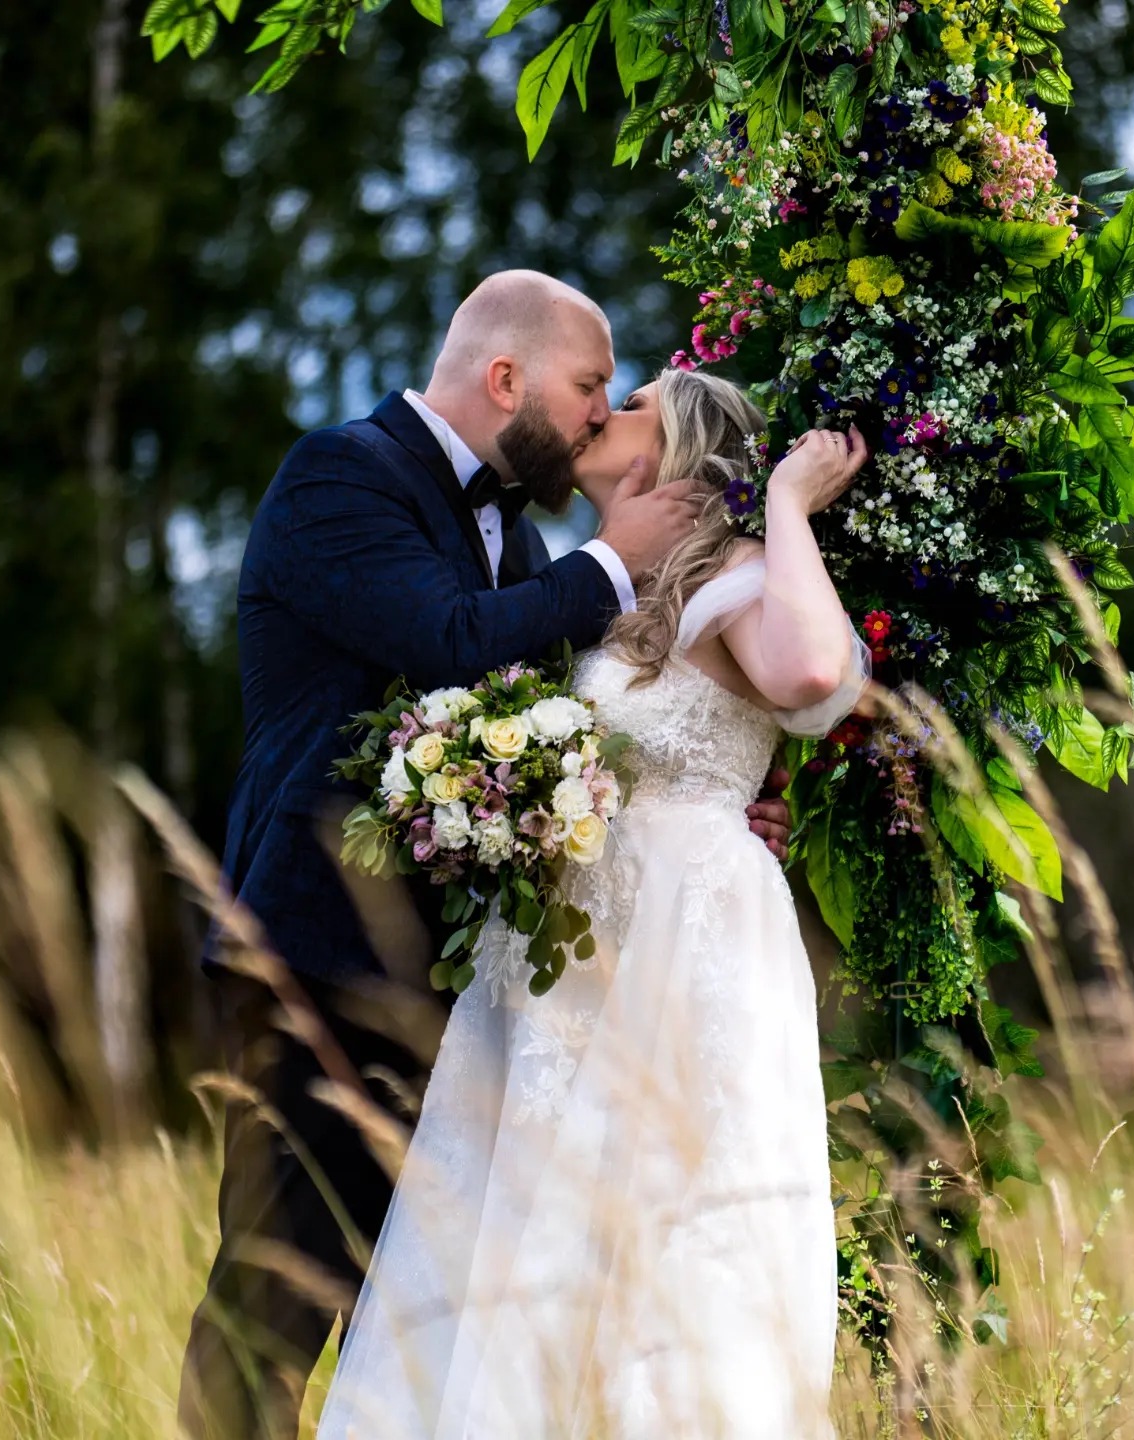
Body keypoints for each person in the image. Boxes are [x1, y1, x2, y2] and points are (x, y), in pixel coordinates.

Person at [179, 273, 797, 1440]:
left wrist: (709, 811)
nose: (595, 415)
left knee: (416, 1326)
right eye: (585, 387)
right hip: (321, 961)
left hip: (466, 997)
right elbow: (448, 646)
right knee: (274, 1294)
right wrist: (614, 557)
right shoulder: (341, 476)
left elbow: (559, 738)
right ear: (505, 379)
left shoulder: (514, 535)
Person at [316, 367, 871, 1439]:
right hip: (570, 962)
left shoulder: (741, 572)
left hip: (682, 943)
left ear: (671, 455)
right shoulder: (600, 592)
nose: (598, 417)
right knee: (526, 1234)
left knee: (662, 1231)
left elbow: (808, 673)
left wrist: (789, 507)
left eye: (630, 410)